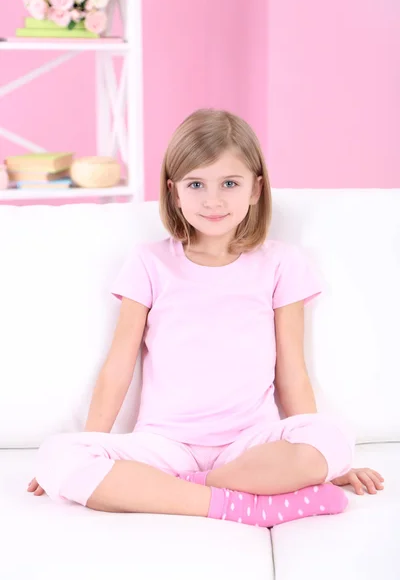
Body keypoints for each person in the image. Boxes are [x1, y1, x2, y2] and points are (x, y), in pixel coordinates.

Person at [28, 109, 384, 528]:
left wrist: (326, 465)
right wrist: (91, 445)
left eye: (229, 184)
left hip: (250, 445)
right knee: (58, 456)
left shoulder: (281, 264)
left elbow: (292, 373)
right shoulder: (149, 262)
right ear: (174, 192)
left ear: (256, 189)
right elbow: (118, 368)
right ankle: (241, 506)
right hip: (165, 444)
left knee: (334, 438)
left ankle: (184, 487)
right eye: (196, 184)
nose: (213, 201)